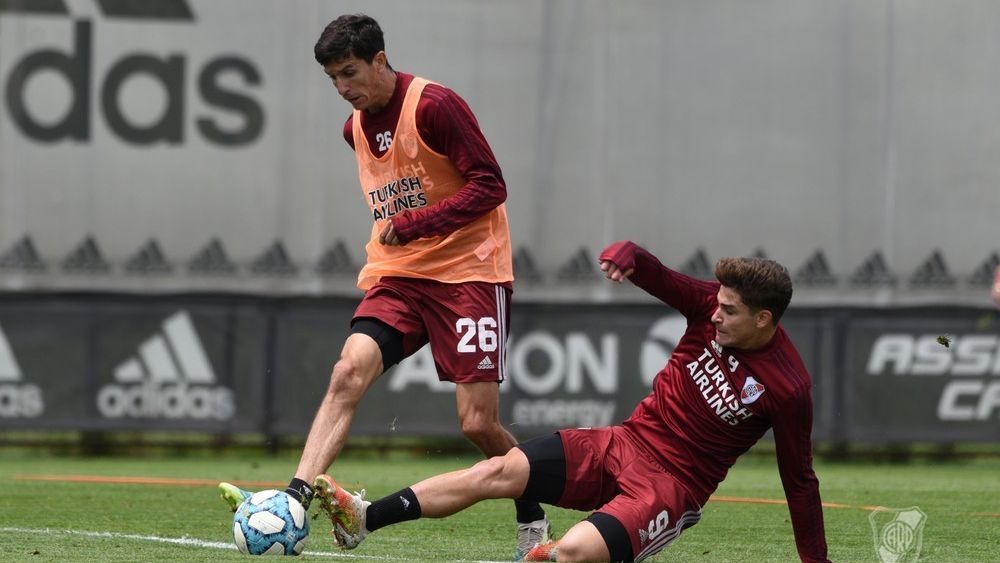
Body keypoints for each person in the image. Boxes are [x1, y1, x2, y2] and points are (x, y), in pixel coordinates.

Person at [219, 13, 549, 559]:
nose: (343, 89)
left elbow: (491, 185)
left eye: (350, 73)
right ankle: (296, 499)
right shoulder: (354, 128)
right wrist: (408, 235)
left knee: (478, 424)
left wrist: (417, 224)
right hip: (399, 275)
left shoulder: (435, 106)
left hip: (470, 273)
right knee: (347, 371)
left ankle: (532, 518)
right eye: (333, 80)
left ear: (380, 60)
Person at [308, 241, 831, 562]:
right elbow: (658, 275)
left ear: (764, 320)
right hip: (623, 441)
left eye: (730, 311)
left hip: (673, 487)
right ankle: (364, 520)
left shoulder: (788, 388)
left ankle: (557, 552)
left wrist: (816, 562)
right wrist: (630, 255)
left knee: (576, 552)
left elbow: (800, 480)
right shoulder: (707, 306)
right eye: (716, 305)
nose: (715, 316)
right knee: (496, 472)